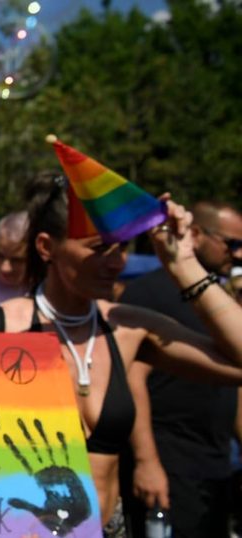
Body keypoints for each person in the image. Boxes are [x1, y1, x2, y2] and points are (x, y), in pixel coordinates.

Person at [0, 175, 242, 536]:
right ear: (46, 246)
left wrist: (183, 263)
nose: (115, 263)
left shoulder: (126, 329)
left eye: (122, 248)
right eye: (99, 249)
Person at [118, 201, 242, 537]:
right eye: (231, 243)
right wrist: (147, 462)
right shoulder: (149, 293)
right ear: (196, 234)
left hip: (216, 463)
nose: (239, 254)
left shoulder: (220, 297)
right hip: (170, 463)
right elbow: (133, 378)